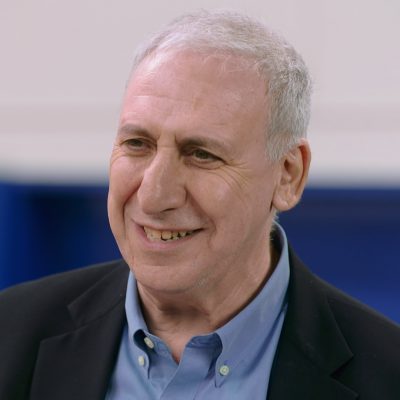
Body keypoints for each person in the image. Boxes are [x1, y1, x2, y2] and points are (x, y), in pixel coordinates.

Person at [0, 9, 399, 400]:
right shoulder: (11, 335)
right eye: (137, 144)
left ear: (288, 175)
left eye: (201, 154)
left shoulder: (386, 376)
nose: (154, 195)